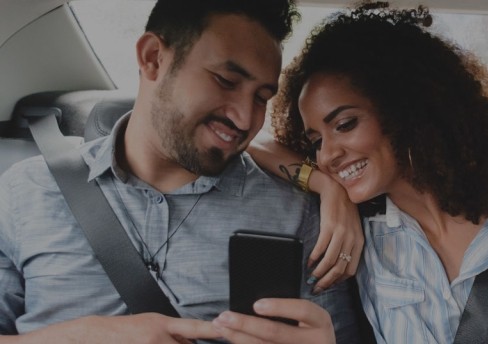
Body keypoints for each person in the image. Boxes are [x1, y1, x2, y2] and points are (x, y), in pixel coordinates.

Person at [212, 2, 488, 343]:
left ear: (408, 111)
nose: (328, 154)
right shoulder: (369, 238)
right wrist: (326, 187)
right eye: (315, 141)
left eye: (344, 124)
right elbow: (253, 139)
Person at [0, 0, 363, 343]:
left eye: (261, 97)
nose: (244, 118)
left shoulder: (300, 214)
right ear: (153, 58)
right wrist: (79, 337)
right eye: (225, 80)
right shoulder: (26, 191)